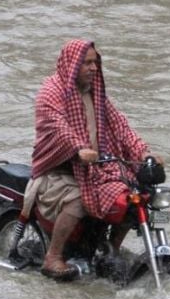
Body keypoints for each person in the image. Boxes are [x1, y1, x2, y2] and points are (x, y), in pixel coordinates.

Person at [21, 39, 162, 281]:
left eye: (95, 62)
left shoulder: (96, 94)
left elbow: (121, 127)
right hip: (59, 171)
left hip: (94, 168)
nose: (93, 68)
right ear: (72, 64)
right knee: (79, 200)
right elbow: (57, 127)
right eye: (86, 63)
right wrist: (78, 149)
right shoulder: (51, 92)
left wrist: (144, 153)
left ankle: (110, 251)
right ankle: (53, 257)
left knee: (131, 196)